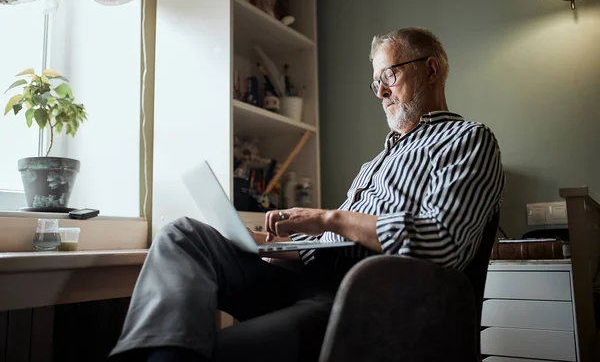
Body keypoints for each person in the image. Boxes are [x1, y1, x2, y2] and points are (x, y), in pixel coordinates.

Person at [109, 28, 505, 362]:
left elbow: (441, 243)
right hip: (309, 282)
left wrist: (326, 218)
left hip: (369, 301)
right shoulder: (376, 163)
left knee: (216, 352)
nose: (380, 93)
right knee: (184, 235)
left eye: (389, 76)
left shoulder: (469, 139)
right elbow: (333, 243)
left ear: (431, 69)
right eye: (376, 82)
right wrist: (265, 244)